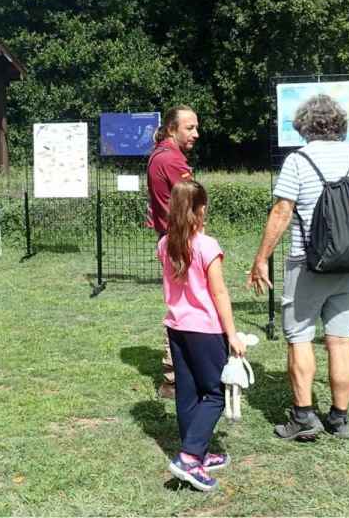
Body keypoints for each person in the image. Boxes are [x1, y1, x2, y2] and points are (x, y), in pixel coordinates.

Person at [247, 94, 349, 441]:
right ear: (339, 125)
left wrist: (261, 258)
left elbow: (282, 212)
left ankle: (303, 417)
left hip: (307, 263)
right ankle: (340, 419)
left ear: (304, 127)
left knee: (299, 338)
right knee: (341, 340)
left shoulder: (298, 161)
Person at [159, 180, 247, 492]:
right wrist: (232, 334)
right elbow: (219, 292)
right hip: (206, 330)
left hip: (177, 327)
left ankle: (198, 450)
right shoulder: (207, 246)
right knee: (214, 393)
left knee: (187, 391)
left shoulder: (165, 243)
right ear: (200, 209)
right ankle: (189, 456)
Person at [147, 105, 200, 399]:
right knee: (184, 308)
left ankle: (178, 375)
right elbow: (192, 205)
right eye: (189, 128)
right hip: (180, 241)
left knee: (182, 304)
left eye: (195, 127)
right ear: (171, 129)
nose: (196, 133)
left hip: (173, 238)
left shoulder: (162, 154)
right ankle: (174, 377)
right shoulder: (171, 160)